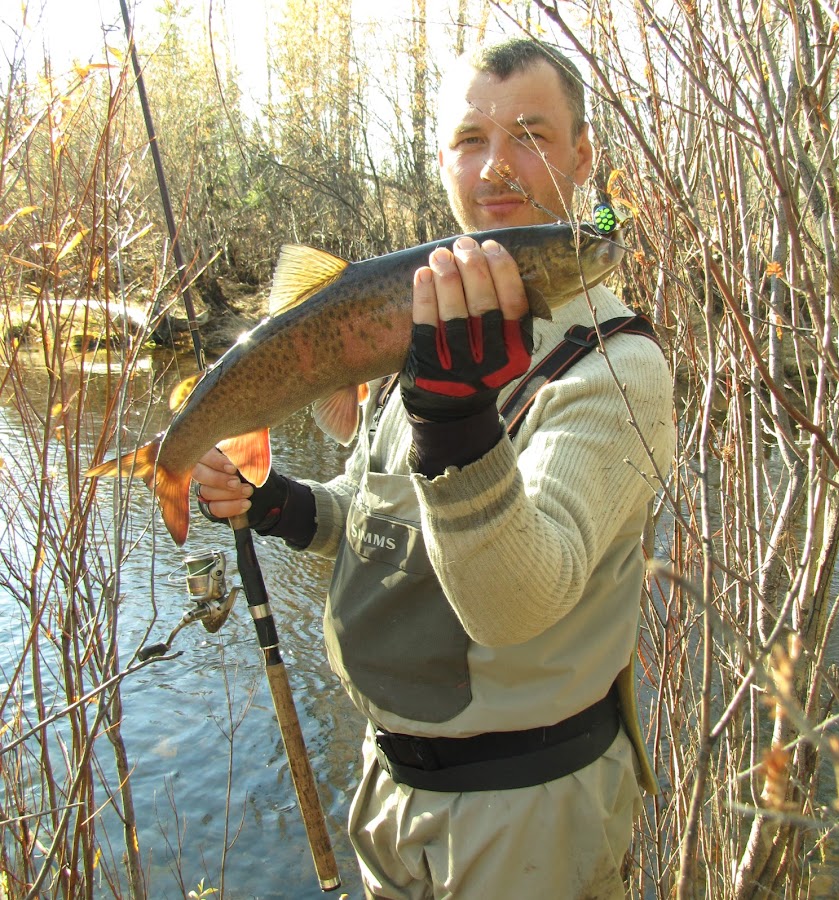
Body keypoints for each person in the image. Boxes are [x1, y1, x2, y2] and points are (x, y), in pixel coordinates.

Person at [193, 38, 674, 899]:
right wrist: (282, 504)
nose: (496, 167)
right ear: (441, 159)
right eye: (468, 140)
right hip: (387, 792)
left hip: (524, 819)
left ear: (583, 156)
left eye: (531, 133)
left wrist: (455, 423)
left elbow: (515, 604)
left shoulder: (617, 367)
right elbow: (378, 515)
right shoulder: (420, 313)